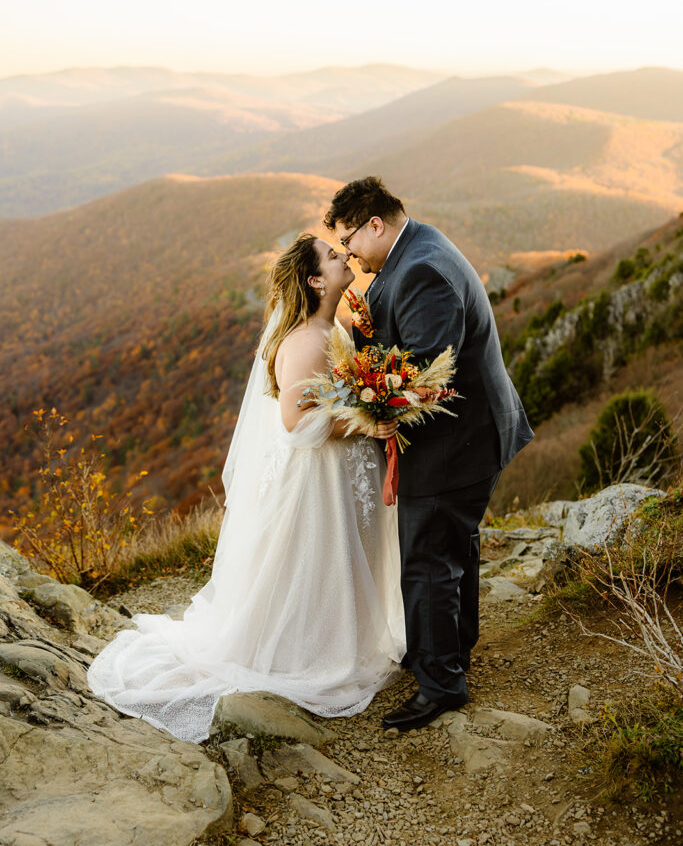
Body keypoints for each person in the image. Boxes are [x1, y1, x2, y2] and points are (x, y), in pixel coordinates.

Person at [87, 234, 405, 743]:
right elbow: (297, 423)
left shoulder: (332, 329)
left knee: (339, 561)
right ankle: (308, 653)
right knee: (318, 560)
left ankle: (338, 640)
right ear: (315, 280)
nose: (344, 256)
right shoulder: (305, 340)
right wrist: (366, 422)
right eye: (332, 255)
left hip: (343, 475)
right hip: (317, 481)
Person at [324, 176, 534, 732]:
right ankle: (453, 649)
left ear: (375, 224)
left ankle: (440, 686)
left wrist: (364, 410)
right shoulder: (415, 248)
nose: (348, 254)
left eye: (349, 241)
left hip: (456, 443)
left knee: (426, 558)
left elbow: (419, 377)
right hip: (468, 436)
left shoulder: (421, 269)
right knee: (451, 547)